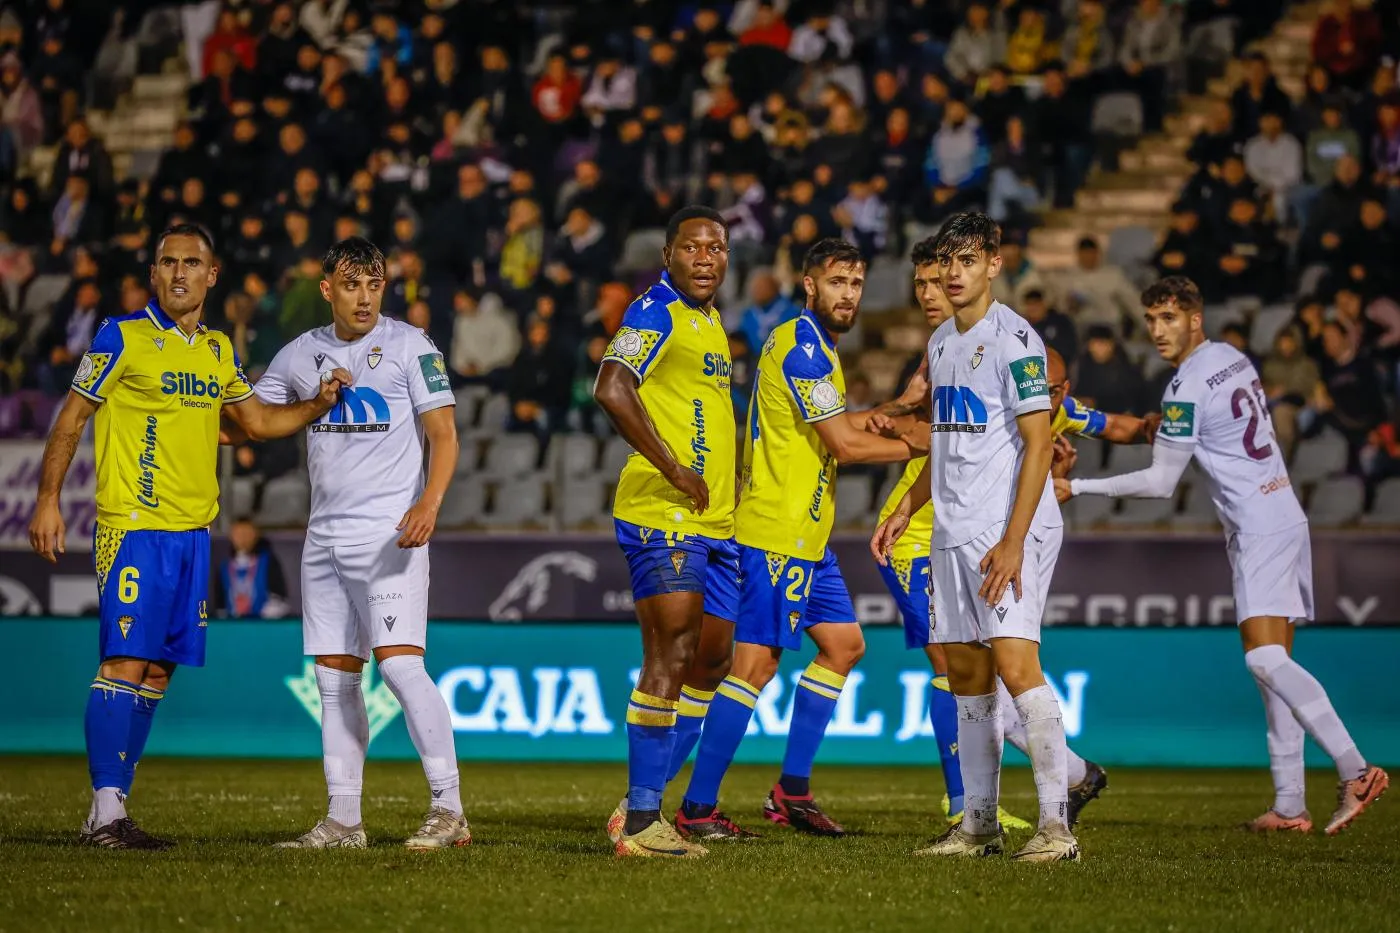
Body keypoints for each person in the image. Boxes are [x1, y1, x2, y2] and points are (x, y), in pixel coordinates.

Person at [27, 223, 348, 849]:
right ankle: (106, 807)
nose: (178, 272)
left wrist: (315, 405)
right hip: (135, 528)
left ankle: (112, 807)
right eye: (167, 262)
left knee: (158, 672)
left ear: (212, 274)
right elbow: (71, 419)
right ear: (154, 274)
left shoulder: (217, 351)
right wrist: (47, 501)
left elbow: (252, 421)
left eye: (191, 262)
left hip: (194, 534)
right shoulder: (121, 337)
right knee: (123, 661)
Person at [1057, 276, 1389, 836]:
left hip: (1259, 528)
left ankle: (1355, 769)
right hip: (1282, 513)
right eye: (1151, 320)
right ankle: (1289, 806)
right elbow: (1195, 433)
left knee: (1263, 661)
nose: (1159, 331)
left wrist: (1080, 488)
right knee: (1273, 672)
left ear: (1195, 318)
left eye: (1169, 318)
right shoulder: (1232, 357)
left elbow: (1164, 483)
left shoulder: (1184, 385)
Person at [865, 243, 1128, 831]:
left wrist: (1012, 541)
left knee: (1017, 669)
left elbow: (1038, 444)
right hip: (949, 533)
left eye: (965, 262)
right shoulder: (939, 344)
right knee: (966, 678)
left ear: (993, 266)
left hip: (1002, 529)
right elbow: (946, 443)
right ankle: (977, 827)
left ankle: (1055, 828)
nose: (951, 276)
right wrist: (908, 507)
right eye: (944, 266)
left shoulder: (1017, 341)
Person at [676, 238, 924, 840]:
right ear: (810, 285)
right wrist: (930, 444)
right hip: (775, 532)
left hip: (807, 537)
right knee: (754, 667)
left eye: (857, 283)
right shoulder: (802, 345)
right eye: (837, 281)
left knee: (843, 645)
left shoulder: (817, 349)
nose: (849, 294)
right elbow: (844, 445)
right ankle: (696, 808)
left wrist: (898, 407)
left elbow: (834, 426)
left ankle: (790, 792)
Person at [254, 237, 468, 850]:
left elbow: (444, 434)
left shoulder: (410, 345)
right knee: (335, 681)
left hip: (389, 534)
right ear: (327, 289)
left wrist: (428, 503)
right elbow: (250, 425)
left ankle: (448, 808)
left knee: (400, 666)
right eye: (352, 285)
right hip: (323, 538)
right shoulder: (301, 355)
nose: (365, 297)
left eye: (374, 285)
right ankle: (344, 821)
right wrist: (311, 402)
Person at [593, 206, 740, 859]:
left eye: (718, 246)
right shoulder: (653, 308)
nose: (707, 257)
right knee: (671, 655)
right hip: (663, 512)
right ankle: (646, 818)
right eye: (694, 246)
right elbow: (611, 385)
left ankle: (641, 799)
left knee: (712, 658)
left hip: (716, 521)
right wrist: (674, 466)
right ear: (669, 254)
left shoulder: (707, 320)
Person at [214, 517, 289, 619]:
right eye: (239, 534)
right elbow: (220, 605)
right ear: (231, 536)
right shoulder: (224, 567)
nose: (243, 538)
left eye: (247, 533)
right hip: (232, 627)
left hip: (262, 626)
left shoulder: (268, 561)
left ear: (256, 535)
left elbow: (279, 599)